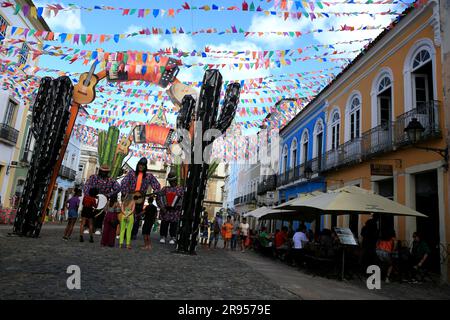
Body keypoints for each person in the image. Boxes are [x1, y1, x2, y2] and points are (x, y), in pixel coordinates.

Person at [120, 157, 161, 240]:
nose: (141, 166)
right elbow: (124, 182)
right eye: (140, 164)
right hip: (130, 197)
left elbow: (157, 185)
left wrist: (156, 191)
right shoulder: (131, 173)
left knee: (136, 216)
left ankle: (133, 233)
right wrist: (125, 194)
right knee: (127, 215)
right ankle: (124, 232)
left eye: (143, 165)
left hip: (140, 198)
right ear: (137, 165)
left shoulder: (149, 176)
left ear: (145, 166)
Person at [84, 164, 120, 235]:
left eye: (105, 172)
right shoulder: (93, 177)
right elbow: (86, 186)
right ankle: (87, 227)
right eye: (102, 171)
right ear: (100, 171)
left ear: (108, 172)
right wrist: (88, 195)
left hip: (103, 200)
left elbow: (118, 188)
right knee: (90, 213)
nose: (104, 173)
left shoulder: (111, 180)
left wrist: (108, 195)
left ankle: (98, 228)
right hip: (92, 198)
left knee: (101, 214)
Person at [156, 170, 184, 245]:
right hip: (165, 210)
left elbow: (183, 199)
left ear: (175, 180)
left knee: (174, 225)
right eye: (170, 181)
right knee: (164, 224)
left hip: (175, 211)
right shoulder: (165, 189)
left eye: (172, 181)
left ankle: (173, 237)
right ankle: (163, 236)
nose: (171, 182)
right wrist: (162, 207)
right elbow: (159, 198)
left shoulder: (180, 189)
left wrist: (178, 205)